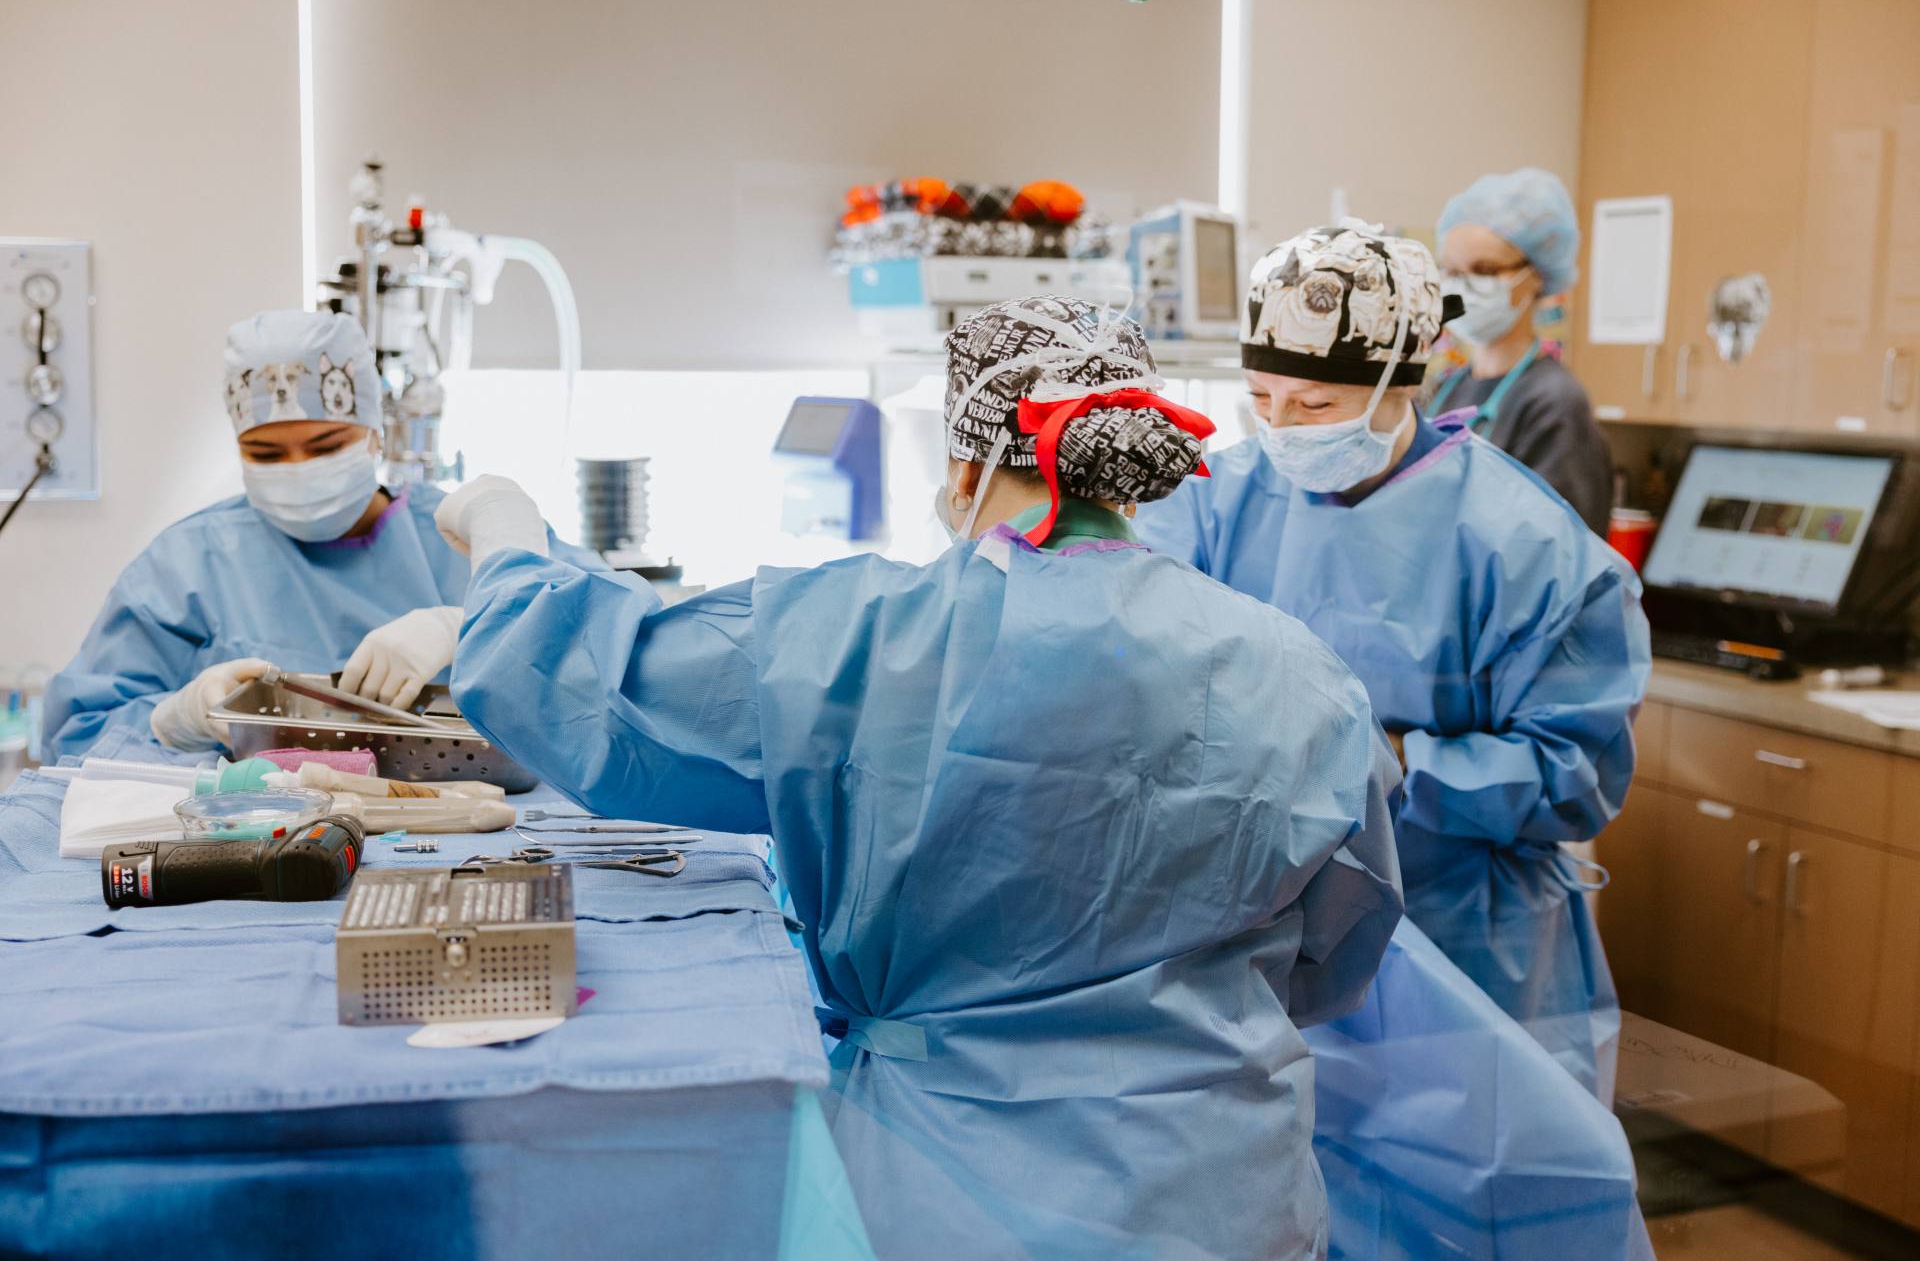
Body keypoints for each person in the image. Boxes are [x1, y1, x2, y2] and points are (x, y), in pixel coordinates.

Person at [438, 296, 1405, 1260]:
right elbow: (1335, 952)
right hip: (1222, 1189)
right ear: (1131, 463)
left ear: (964, 464)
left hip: (956, 1190)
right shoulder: (1301, 670)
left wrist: (508, 537)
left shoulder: (859, 636)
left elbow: (584, 683)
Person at [1132, 222, 1651, 1100]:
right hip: (1265, 936)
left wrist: (1399, 763)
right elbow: (1142, 647)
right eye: (1262, 399)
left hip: (1460, 944)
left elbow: (1578, 770)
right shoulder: (1222, 501)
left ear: (1396, 384)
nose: (1282, 429)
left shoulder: (1524, 544)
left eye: (1315, 406)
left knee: (1464, 1206)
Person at [42, 310, 598, 761]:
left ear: (376, 438)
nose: (299, 469)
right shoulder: (186, 565)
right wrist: (176, 719)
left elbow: (624, 644)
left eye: (327, 446)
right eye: (265, 453)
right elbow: (74, 738)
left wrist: (474, 623)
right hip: (254, 849)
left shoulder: (467, 537)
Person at [1430, 168, 1613, 535]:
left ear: (1536, 277)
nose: (1462, 286)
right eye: (1451, 271)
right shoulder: (1444, 388)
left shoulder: (1554, 403)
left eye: (1484, 270)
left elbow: (1560, 552)